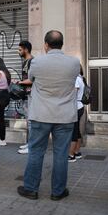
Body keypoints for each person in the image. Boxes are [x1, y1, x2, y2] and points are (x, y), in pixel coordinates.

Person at [17, 30, 80, 201]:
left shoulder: (37, 62)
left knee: (36, 152)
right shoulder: (74, 63)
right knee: (61, 154)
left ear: (46, 44)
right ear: (62, 44)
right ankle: (58, 191)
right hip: (65, 116)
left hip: (41, 114)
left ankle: (31, 189)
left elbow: (31, 78)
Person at [17, 40, 33, 155]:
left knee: (31, 122)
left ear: (26, 49)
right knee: (28, 121)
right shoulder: (25, 62)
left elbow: (32, 79)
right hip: (26, 96)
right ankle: (29, 143)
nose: (19, 52)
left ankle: (32, 146)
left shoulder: (32, 62)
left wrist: (20, 82)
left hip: (31, 96)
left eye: (20, 49)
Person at [68, 65, 86, 162]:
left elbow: (73, 94)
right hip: (80, 106)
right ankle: (77, 152)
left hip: (75, 107)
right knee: (77, 130)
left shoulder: (76, 79)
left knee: (73, 131)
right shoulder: (81, 78)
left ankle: (71, 155)